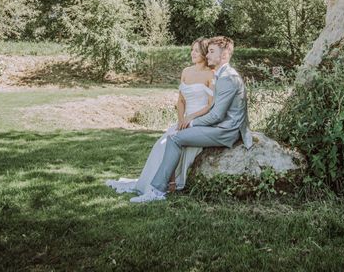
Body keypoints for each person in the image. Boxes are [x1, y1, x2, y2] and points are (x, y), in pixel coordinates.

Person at [129, 35, 253, 203]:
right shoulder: (221, 74)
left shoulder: (228, 78)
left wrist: (191, 122)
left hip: (225, 131)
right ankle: (160, 186)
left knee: (174, 138)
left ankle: (157, 191)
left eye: (211, 52)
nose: (207, 55)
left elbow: (217, 115)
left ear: (224, 55)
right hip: (219, 125)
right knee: (174, 136)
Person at [106, 38, 215, 195]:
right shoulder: (186, 71)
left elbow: (210, 105)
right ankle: (154, 182)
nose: (193, 53)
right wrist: (181, 119)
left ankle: (170, 182)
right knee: (161, 144)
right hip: (184, 120)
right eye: (192, 49)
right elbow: (181, 100)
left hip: (199, 119)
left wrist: (190, 118)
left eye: (196, 50)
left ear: (205, 53)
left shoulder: (210, 75)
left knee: (172, 143)